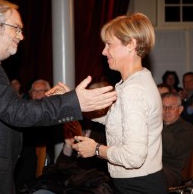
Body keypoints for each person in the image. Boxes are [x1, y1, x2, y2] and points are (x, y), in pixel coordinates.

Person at [0, 0, 117, 194]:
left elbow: (10, 110)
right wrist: (74, 101)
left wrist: (61, 100)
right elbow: (16, 112)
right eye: (16, 28)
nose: (21, 36)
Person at [62, 13, 167, 193]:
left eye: (109, 44)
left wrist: (95, 149)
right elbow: (112, 118)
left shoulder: (133, 90)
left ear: (131, 44)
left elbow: (134, 157)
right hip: (138, 183)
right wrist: (72, 101)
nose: (104, 51)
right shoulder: (131, 82)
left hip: (138, 186)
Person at [161, 92, 193, 187]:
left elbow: (175, 150)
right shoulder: (158, 125)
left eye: (171, 107)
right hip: (153, 166)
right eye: (163, 107)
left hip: (171, 172)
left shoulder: (186, 128)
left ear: (180, 110)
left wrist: (162, 127)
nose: (166, 111)